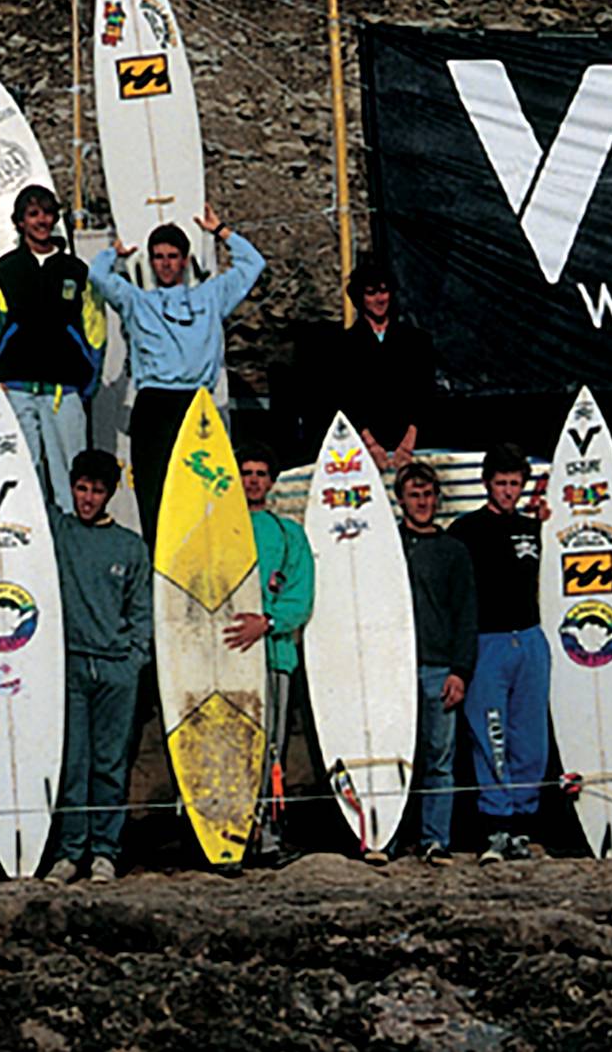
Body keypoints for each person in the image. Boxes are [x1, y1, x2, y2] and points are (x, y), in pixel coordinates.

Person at [87, 202, 264, 542]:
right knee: (154, 493)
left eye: (172, 256)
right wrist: (116, 252)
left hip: (196, 402)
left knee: (200, 488)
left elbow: (253, 263)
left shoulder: (211, 296)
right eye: (158, 257)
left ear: (184, 260)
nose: (165, 264)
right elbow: (97, 276)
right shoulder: (137, 301)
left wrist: (220, 230)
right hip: (154, 403)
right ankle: (157, 562)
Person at [45, 449, 153, 884]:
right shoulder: (58, 532)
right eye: (82, 488)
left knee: (109, 763)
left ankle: (105, 851)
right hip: (69, 666)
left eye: (97, 490)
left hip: (115, 670)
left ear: (110, 493)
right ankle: (71, 851)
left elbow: (141, 610)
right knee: (73, 763)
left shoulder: (129, 546)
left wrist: (132, 660)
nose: (87, 498)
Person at [445, 442, 550, 864]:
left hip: (527, 638)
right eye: (501, 483)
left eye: (514, 484)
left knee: (531, 738)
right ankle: (495, 827)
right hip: (485, 641)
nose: (508, 491)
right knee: (491, 735)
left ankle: (523, 825)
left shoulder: (533, 527)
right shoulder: (465, 530)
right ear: (487, 484)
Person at [0, 185, 107, 509]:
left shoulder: (76, 271)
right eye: (33, 214)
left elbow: (94, 330)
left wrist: (87, 383)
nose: (42, 221)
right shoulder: (2, 272)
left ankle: (72, 549)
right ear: (20, 222)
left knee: (71, 482)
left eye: (47, 214)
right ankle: (31, 552)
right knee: (23, 475)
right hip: (17, 390)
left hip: (63, 390)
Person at [225, 443, 314, 864]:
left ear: (272, 481)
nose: (254, 480)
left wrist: (269, 622)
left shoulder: (289, 534)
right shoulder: (219, 528)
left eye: (261, 473)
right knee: (233, 745)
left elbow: (300, 597)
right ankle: (230, 834)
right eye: (246, 472)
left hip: (274, 655)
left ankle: (270, 837)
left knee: (271, 749)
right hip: (228, 655)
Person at [394, 462, 477, 865]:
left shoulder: (453, 551)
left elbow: (466, 615)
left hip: (438, 668)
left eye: (428, 495)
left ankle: (434, 839)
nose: (423, 502)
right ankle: (388, 836)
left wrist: (460, 671)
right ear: (400, 499)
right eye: (414, 495)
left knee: (439, 760)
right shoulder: (385, 545)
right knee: (395, 756)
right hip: (392, 669)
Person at [325, 258, 435, 471]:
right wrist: (371, 445)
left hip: (414, 443)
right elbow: (344, 396)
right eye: (371, 292)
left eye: (384, 291)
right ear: (360, 297)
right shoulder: (343, 345)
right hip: (362, 445)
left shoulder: (416, 340)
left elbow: (424, 392)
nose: (379, 298)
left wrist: (407, 444)